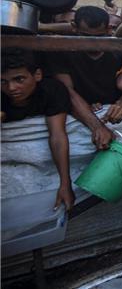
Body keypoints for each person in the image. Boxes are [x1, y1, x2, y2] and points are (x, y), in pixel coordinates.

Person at [49, 6, 122, 151]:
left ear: (108, 30)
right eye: (86, 35)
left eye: (99, 36)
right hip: (84, 115)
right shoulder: (63, 51)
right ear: (74, 27)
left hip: (115, 116)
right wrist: (97, 127)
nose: (93, 42)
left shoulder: (118, 49)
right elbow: (67, 91)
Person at [1, 49, 74, 210]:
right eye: (2, 81)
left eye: (19, 79)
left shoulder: (52, 90)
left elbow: (57, 136)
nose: (11, 87)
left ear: (37, 75)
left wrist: (65, 183)